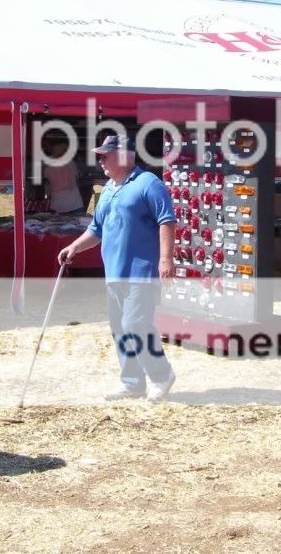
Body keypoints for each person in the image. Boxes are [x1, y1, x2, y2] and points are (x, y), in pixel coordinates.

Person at [58, 135, 177, 402]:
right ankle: (132, 383)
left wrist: (166, 259)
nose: (100, 161)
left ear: (123, 156)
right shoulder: (108, 188)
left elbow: (167, 221)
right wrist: (75, 247)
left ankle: (161, 375)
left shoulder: (149, 183)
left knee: (135, 324)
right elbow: (96, 229)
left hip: (141, 271)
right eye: (100, 155)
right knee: (120, 328)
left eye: (105, 155)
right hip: (114, 271)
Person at [43, 136, 85, 214]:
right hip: (75, 205)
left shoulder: (48, 167)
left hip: (57, 206)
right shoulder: (71, 164)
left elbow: (47, 184)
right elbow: (77, 177)